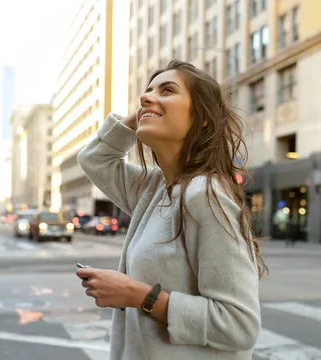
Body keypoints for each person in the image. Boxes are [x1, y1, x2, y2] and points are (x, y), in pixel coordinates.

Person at [76, 60, 265, 360]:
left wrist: (138, 295)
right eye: (147, 91)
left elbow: (239, 325)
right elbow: (94, 160)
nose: (146, 96)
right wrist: (144, 114)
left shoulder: (204, 193)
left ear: (202, 118)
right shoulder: (153, 188)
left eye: (168, 90)